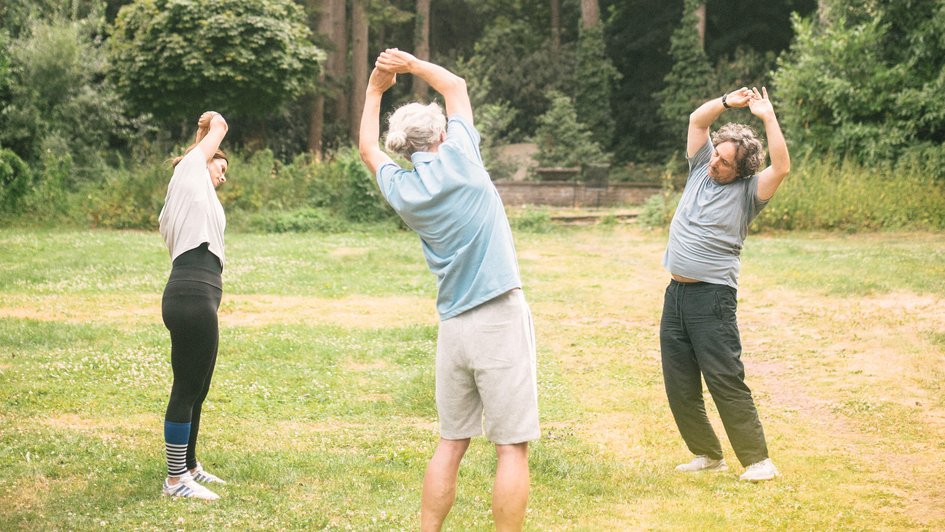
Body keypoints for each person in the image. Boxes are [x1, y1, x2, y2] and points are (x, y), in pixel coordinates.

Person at [359, 49, 539, 531]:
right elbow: (455, 86)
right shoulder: (462, 156)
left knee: (451, 442)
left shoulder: (404, 189)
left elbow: (367, 150)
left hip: (454, 326)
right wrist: (411, 65)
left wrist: (375, 90)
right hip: (498, 316)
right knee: (510, 448)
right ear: (441, 135)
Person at [660, 86, 790, 482]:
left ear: (742, 169)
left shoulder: (750, 192)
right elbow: (697, 121)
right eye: (716, 153)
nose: (715, 162)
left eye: (724, 161)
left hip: (712, 297)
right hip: (676, 294)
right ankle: (707, 453)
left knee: (723, 378)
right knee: (679, 381)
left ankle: (758, 461)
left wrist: (767, 117)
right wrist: (726, 103)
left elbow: (781, 167)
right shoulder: (700, 165)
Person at [157, 111, 231, 500]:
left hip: (199, 295)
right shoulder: (189, 174)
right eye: (220, 165)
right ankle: (174, 481)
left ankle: (188, 467)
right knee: (186, 387)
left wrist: (202, 136)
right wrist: (214, 124)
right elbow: (214, 137)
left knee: (197, 387)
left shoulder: (193, 193)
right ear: (203, 160)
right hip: (190, 295)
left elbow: (200, 154)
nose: (223, 174)